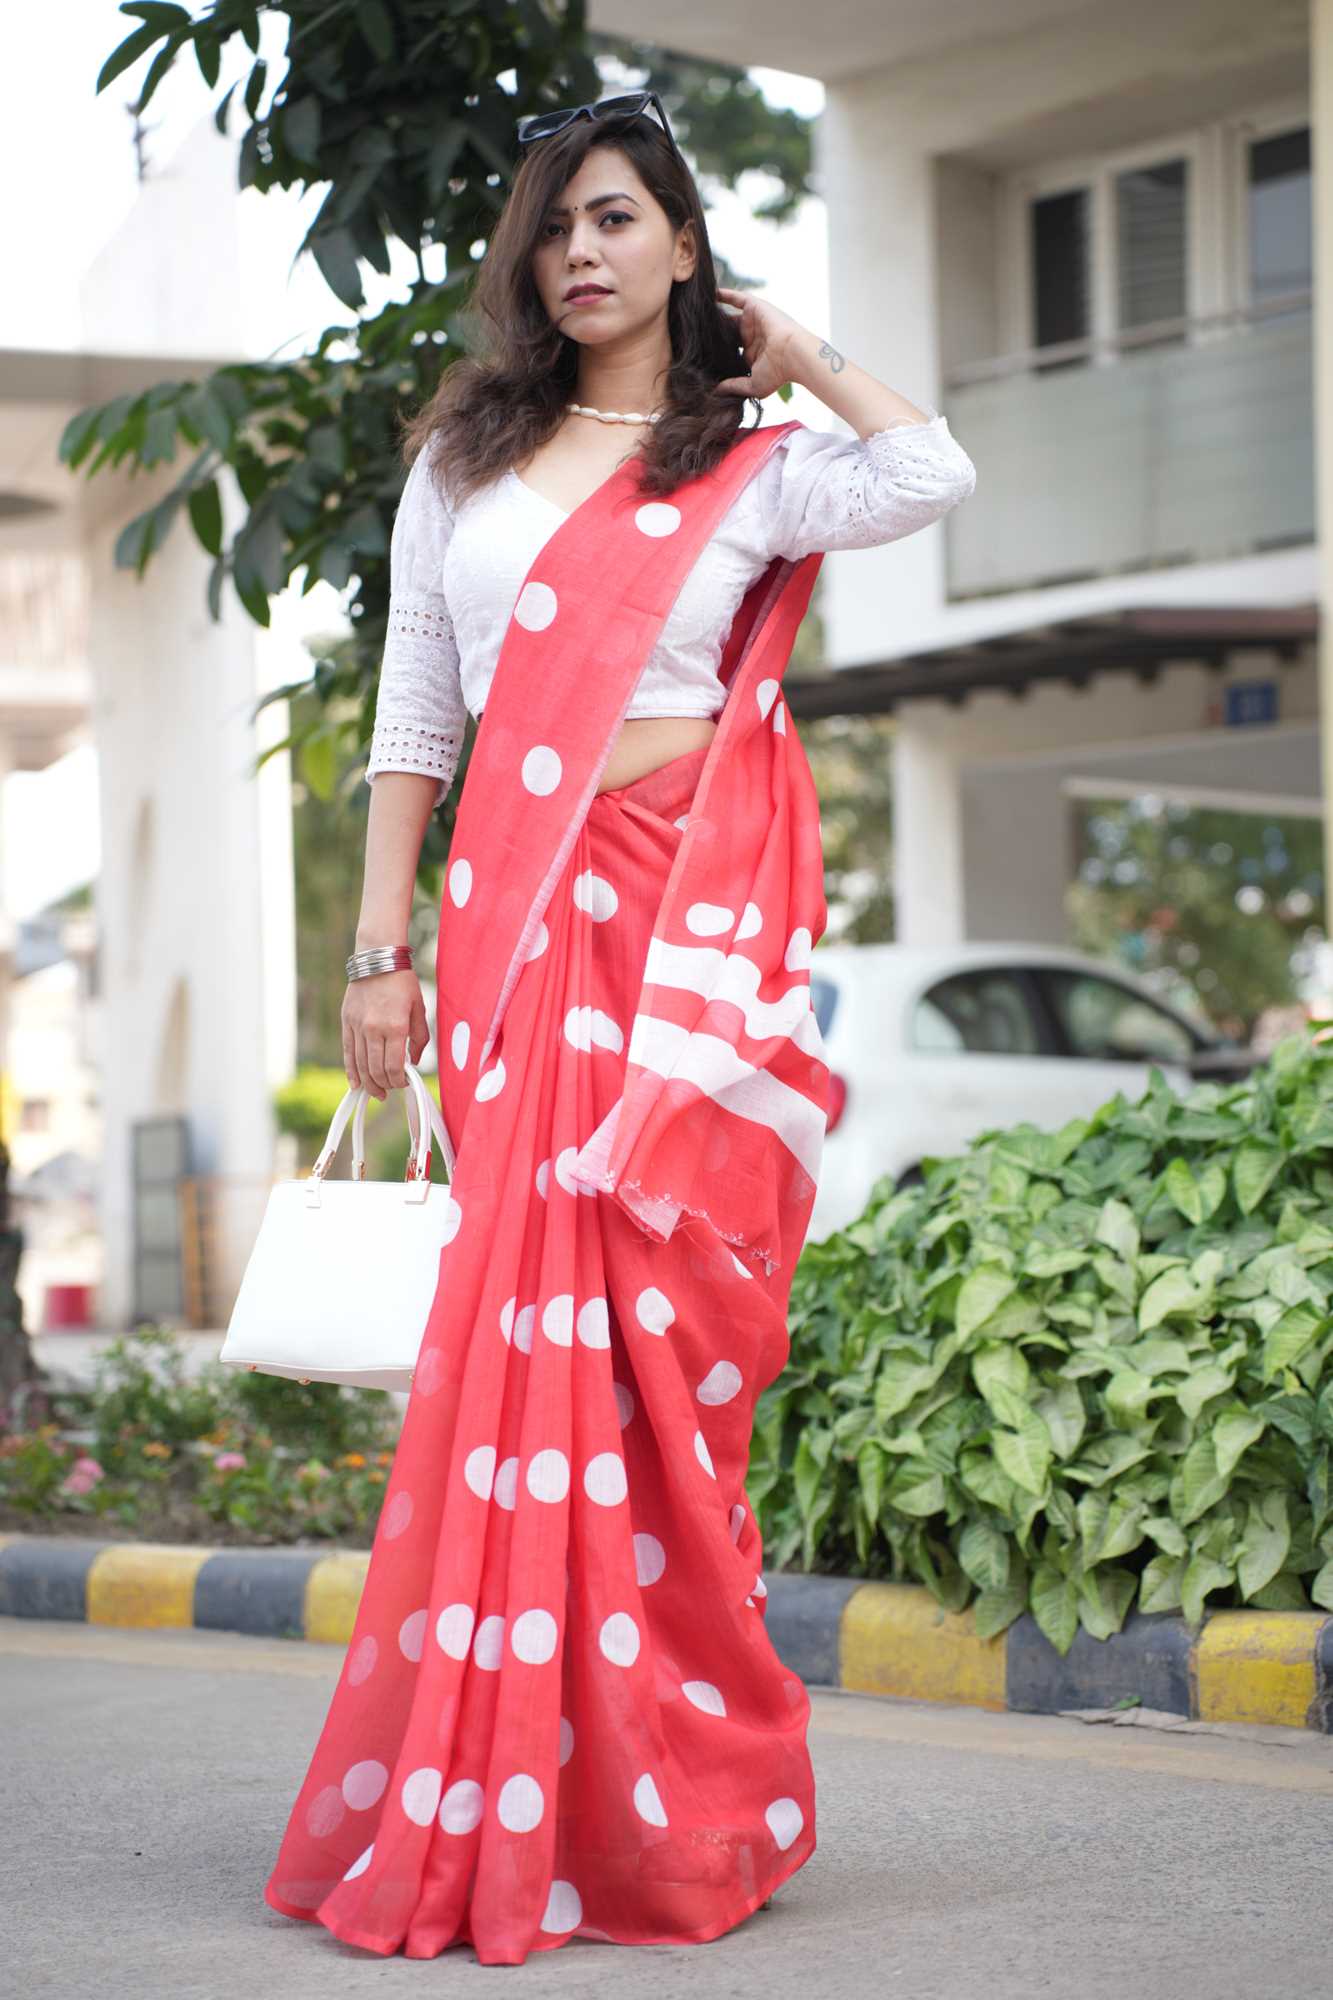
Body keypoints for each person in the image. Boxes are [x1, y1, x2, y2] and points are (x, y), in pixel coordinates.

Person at [264, 91, 976, 1967]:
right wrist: (374, 955)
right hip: (513, 941)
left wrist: (795, 353)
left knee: (661, 1379)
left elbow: (928, 477)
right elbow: (420, 710)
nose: (577, 254)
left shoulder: (745, 463)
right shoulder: (467, 464)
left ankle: (664, 1793)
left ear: (678, 244)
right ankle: (504, 1786)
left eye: (613, 220)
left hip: (680, 941)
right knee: (523, 1361)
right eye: (550, 231)